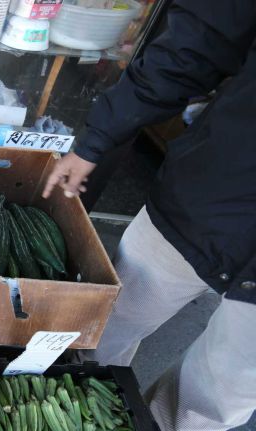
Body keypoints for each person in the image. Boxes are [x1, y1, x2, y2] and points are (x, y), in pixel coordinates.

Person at [41, 1, 256, 430]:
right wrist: (96, 140)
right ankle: (75, 411)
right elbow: (197, 39)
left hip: (212, 190)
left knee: (208, 404)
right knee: (102, 327)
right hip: (212, 192)